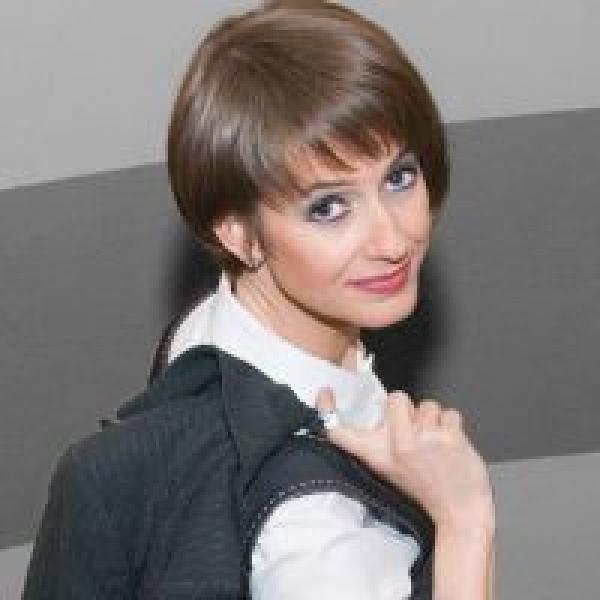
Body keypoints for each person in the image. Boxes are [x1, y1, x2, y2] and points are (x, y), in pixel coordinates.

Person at [23, 1, 495, 599]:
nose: (393, 240)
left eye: (399, 178)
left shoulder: (204, 338)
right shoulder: (320, 537)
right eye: (329, 207)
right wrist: (465, 521)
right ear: (239, 235)